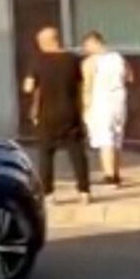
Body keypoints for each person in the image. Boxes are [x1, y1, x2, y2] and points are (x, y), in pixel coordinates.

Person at [22, 26, 91, 204]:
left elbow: (28, 87)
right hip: (70, 112)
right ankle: (84, 191)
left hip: (46, 115)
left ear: (44, 42)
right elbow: (82, 83)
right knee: (77, 152)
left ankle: (48, 194)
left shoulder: (38, 61)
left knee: (46, 154)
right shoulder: (73, 60)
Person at [81, 30, 132, 188]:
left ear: (94, 42)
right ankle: (116, 173)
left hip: (101, 102)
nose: (85, 49)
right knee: (117, 138)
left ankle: (109, 176)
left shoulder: (90, 62)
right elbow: (130, 77)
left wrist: (85, 107)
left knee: (105, 140)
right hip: (119, 101)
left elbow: (87, 86)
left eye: (87, 45)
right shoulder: (118, 58)